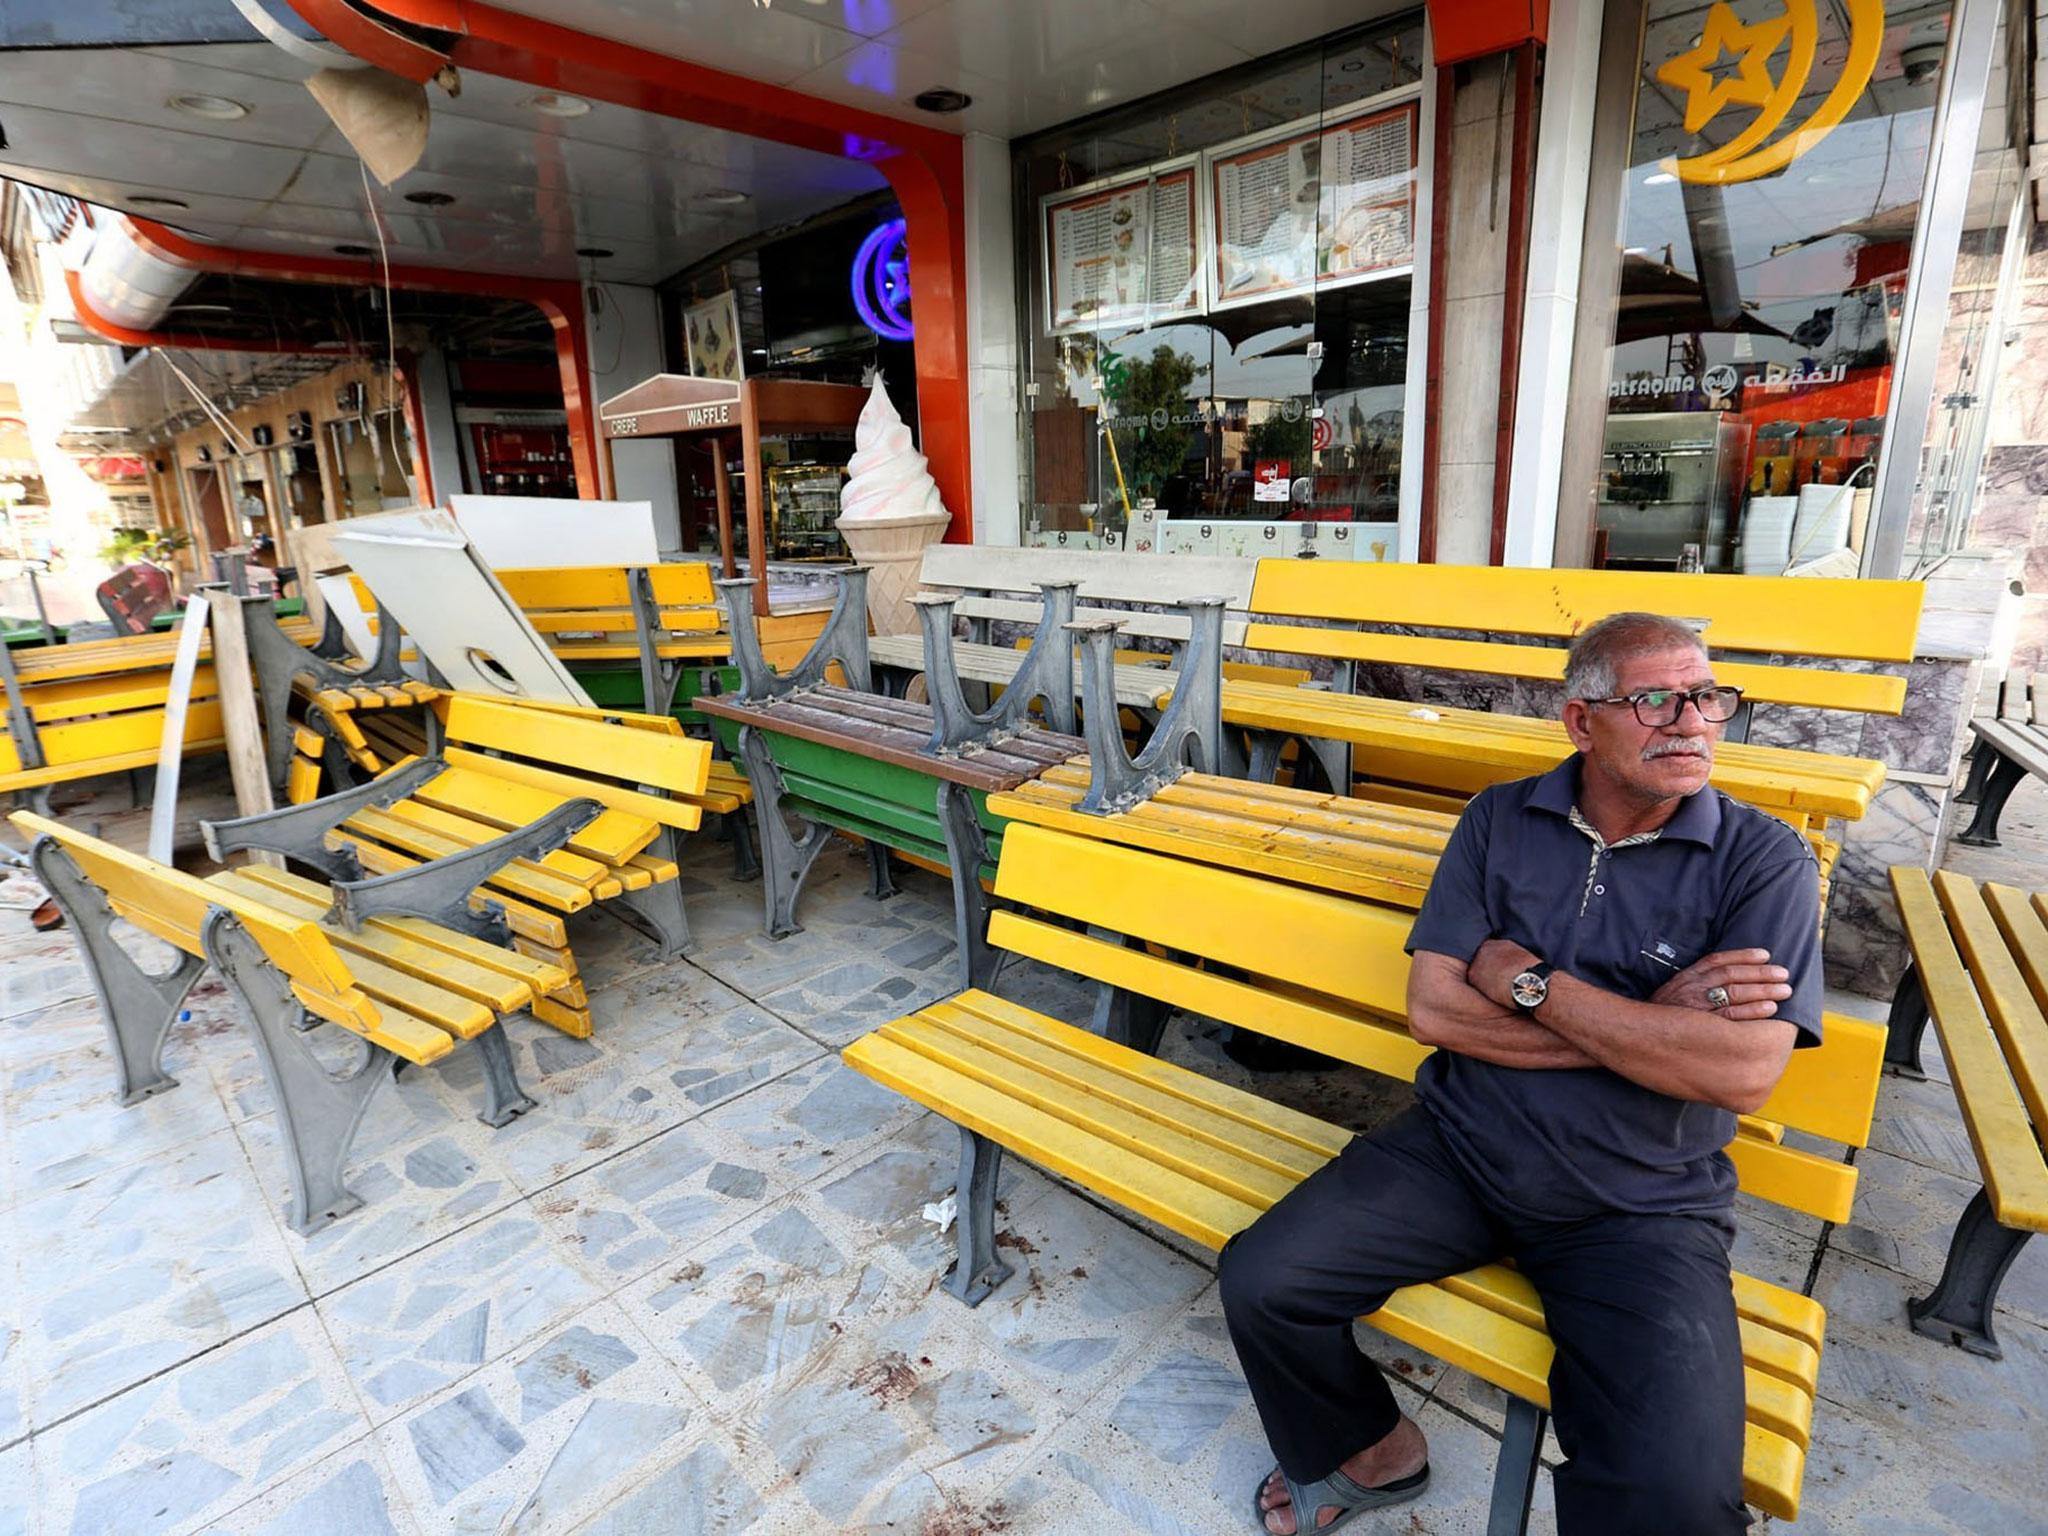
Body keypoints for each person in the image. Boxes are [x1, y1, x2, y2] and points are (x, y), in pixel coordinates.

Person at [1219, 611, 1823, 1535]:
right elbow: (1434, 1010)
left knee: (1675, 1499)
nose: (1694, 722)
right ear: (1581, 720)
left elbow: (1742, 1072)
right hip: (1462, 1147)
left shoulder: (1762, 858)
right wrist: (1659, 1028)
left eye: (1709, 697)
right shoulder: (1502, 817)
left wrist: (1527, 984)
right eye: (1656, 700)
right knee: (1265, 1281)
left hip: (1640, 1201)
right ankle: (1376, 1451)